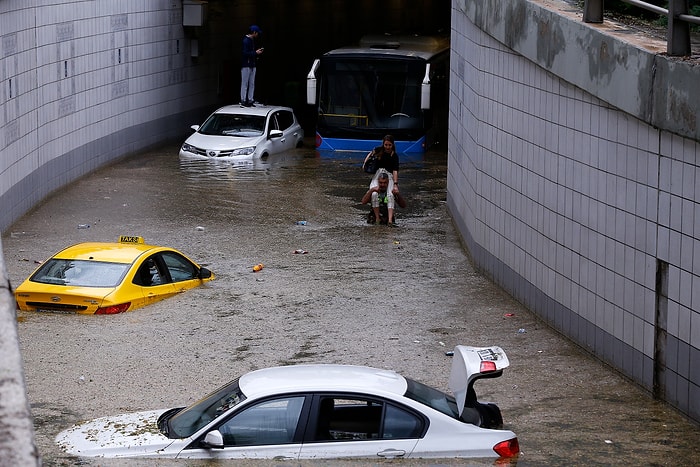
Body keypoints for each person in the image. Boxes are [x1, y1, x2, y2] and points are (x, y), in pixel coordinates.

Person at [240, 25, 263, 107]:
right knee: (245, 83)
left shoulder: (251, 40)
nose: (257, 35)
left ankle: (250, 99)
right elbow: (245, 53)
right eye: (257, 33)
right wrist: (255, 53)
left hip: (252, 64)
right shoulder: (246, 41)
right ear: (254, 32)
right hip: (246, 65)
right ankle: (243, 100)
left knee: (251, 83)